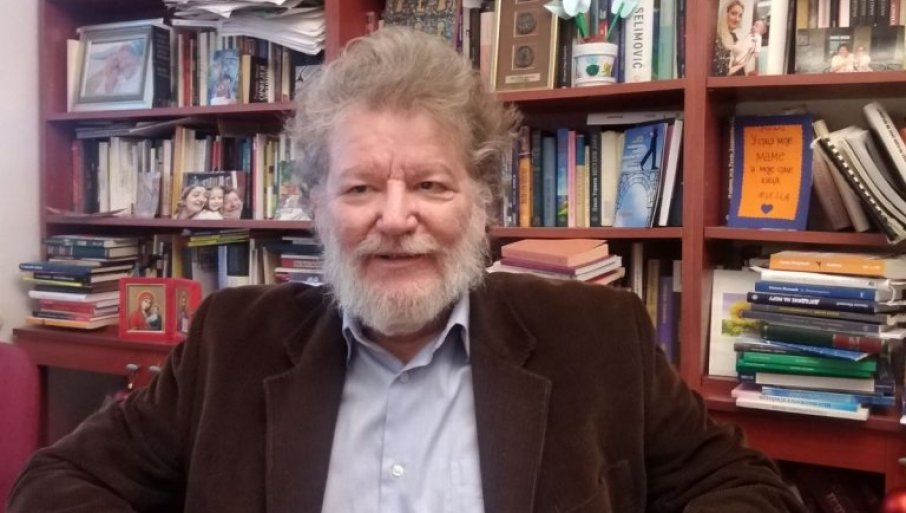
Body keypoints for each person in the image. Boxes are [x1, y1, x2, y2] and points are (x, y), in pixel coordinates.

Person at [8, 27, 807, 513]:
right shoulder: (231, 341)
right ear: (315, 205)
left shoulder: (598, 337)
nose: (395, 218)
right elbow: (58, 481)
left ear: (482, 200)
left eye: (429, 184)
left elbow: (747, 486)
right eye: (360, 188)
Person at [712, 0, 750, 76]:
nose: (737, 19)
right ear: (725, 14)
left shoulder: (734, 37)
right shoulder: (718, 36)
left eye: (740, 16)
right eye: (733, 13)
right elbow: (721, 72)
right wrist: (743, 63)